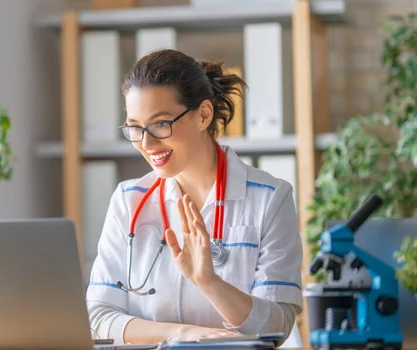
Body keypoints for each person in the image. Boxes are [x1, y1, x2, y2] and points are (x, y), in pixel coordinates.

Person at [86, 49, 302, 346]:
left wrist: (209, 282)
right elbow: (98, 317)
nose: (146, 143)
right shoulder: (128, 200)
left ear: (203, 115)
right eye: (135, 128)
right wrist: (183, 334)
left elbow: (277, 326)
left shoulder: (269, 199)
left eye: (161, 124)